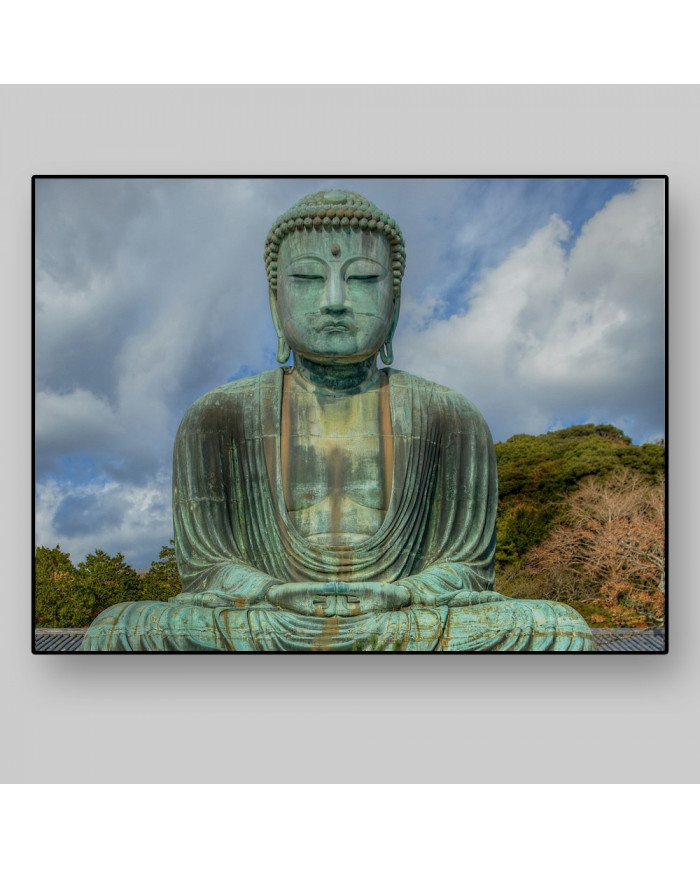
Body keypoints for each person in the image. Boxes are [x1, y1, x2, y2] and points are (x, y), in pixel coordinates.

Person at [81, 189, 594, 651]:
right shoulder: (217, 417)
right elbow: (206, 569)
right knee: (122, 628)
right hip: (271, 616)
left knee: (557, 627)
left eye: (364, 279)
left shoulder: (449, 416)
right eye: (306, 278)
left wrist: (402, 594)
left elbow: (467, 569)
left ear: (393, 304)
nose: (334, 301)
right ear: (274, 299)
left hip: (402, 616)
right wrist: (271, 591)